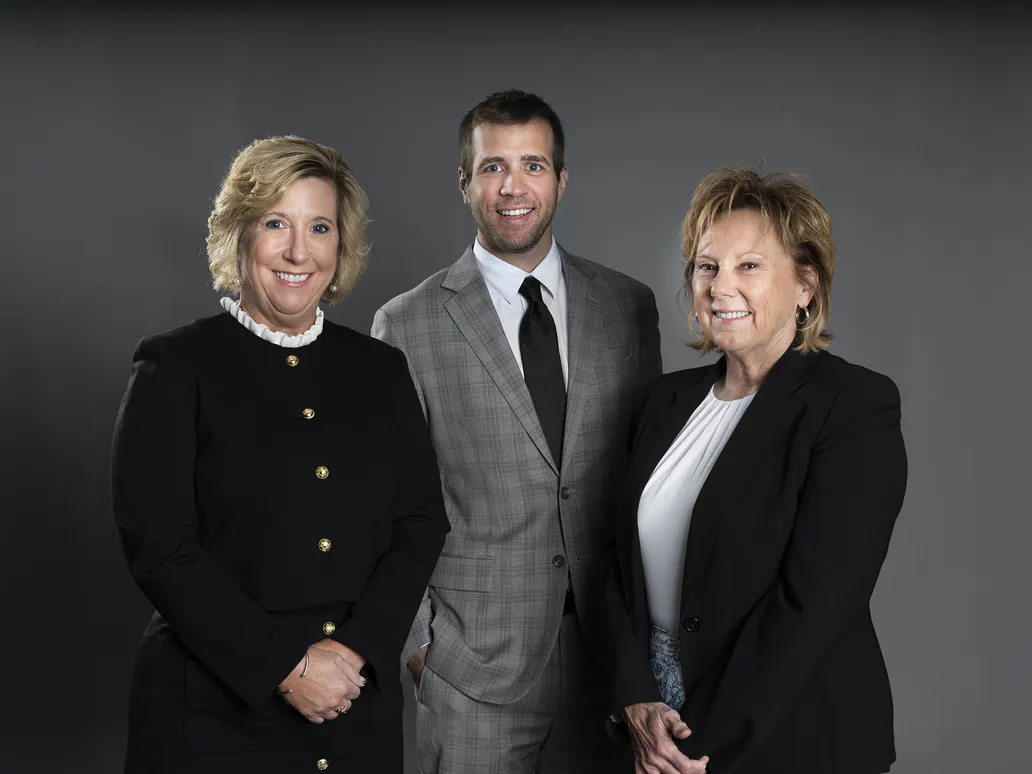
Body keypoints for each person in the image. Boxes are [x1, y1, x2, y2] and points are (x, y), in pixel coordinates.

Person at [110, 136, 449, 774]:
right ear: (239, 234)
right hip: (214, 715)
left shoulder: (380, 369)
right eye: (276, 224)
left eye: (319, 227)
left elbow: (421, 523)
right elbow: (159, 547)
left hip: (356, 708)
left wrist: (358, 653)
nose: (299, 251)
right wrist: (284, 668)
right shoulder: (175, 365)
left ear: (340, 245)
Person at [371, 89, 661, 773]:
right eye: (493, 167)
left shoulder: (627, 307)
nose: (513, 187)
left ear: (561, 180)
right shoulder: (407, 324)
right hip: (472, 668)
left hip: (609, 656)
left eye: (533, 165)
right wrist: (420, 648)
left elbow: (645, 473)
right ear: (465, 183)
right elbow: (384, 503)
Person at [606, 167, 908, 774]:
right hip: (653, 722)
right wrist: (635, 698)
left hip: (787, 728)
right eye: (706, 265)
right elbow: (612, 563)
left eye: (749, 266)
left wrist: (691, 747)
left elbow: (814, 605)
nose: (721, 287)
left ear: (806, 284)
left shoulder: (853, 405)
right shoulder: (662, 402)